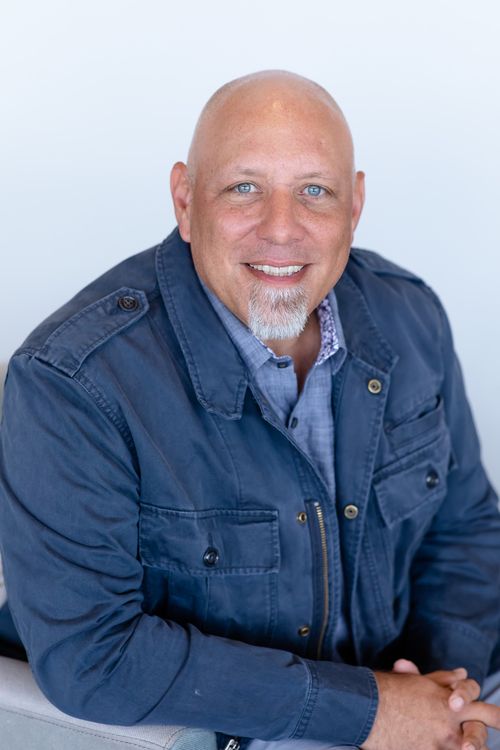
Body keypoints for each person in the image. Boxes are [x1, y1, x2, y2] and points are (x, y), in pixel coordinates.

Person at [0, 70, 499, 750]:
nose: (281, 228)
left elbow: (465, 529)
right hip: (231, 731)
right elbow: (93, 657)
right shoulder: (71, 381)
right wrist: (371, 711)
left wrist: (442, 695)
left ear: (354, 205)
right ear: (185, 200)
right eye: (244, 188)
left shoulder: (409, 315)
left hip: (417, 693)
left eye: (314, 191)